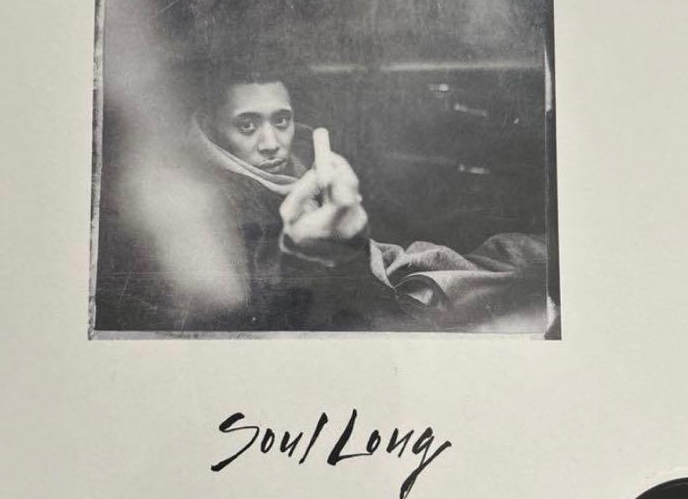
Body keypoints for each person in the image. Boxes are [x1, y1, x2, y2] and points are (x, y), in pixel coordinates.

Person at [189, 61, 551, 332]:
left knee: (522, 253)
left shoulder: (303, 164)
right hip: (391, 302)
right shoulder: (220, 206)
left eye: (281, 121)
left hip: (395, 270)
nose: (271, 143)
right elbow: (336, 313)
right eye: (247, 125)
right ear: (209, 125)